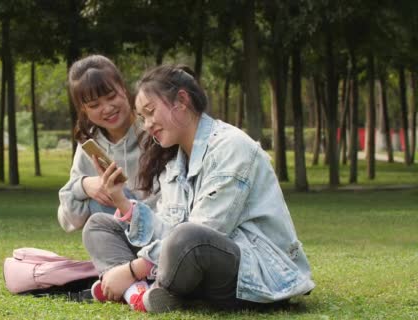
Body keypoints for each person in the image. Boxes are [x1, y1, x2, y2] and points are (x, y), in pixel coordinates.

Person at [82, 65, 315, 313]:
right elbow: (167, 230)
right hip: (190, 265)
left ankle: (147, 283)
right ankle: (138, 293)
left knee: (188, 238)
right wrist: (120, 200)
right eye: (142, 117)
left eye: (150, 112)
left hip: (250, 273)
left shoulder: (232, 146)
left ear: (182, 100)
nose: (147, 125)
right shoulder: (174, 161)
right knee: (99, 225)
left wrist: (131, 269)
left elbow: (205, 230)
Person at [57, 55, 156, 233]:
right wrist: (85, 186)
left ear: (124, 90)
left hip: (157, 231)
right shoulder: (90, 144)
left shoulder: (154, 131)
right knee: (96, 198)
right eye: (94, 105)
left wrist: (121, 198)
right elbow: (67, 218)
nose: (107, 108)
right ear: (83, 110)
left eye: (111, 97)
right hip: (115, 237)